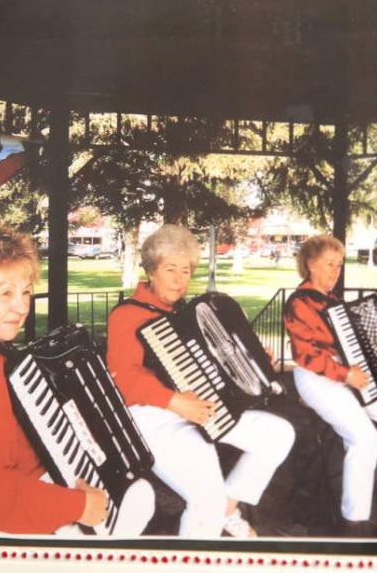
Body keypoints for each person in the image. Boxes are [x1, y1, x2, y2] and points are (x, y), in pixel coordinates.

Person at [0, 220, 155, 536]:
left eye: (25, 292)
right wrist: (79, 506)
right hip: (11, 520)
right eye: (5, 293)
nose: (21, 306)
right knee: (140, 499)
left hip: (1, 499)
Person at [106, 224, 295, 538]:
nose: (180, 279)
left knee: (278, 434)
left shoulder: (188, 314)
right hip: (154, 418)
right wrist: (174, 401)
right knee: (205, 498)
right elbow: (123, 378)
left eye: (186, 271)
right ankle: (191, 570)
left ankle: (228, 509)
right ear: (152, 270)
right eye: (171, 269)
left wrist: (256, 364)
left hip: (203, 408)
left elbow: (220, 361)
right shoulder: (127, 315)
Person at [283, 235, 377, 535]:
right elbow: (306, 355)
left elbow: (356, 343)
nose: (335, 271)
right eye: (329, 264)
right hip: (317, 379)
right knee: (365, 439)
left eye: (339, 265)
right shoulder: (299, 303)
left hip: (349, 374)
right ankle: (353, 523)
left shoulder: (333, 302)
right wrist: (345, 375)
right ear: (310, 264)